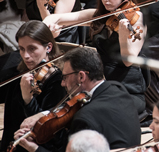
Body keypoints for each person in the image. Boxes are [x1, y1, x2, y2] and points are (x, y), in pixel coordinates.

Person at [43, 0, 147, 120]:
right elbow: (58, 18)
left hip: (127, 89)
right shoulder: (98, 16)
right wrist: (48, 24)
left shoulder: (137, 18)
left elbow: (127, 60)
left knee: (94, 113)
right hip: (101, 86)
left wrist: (124, 35)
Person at [13, 47, 142, 152]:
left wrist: (34, 148)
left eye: (65, 78)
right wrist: (44, 114)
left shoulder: (84, 118)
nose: (63, 84)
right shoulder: (117, 88)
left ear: (81, 77)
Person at [0, 21, 66, 152]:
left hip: (33, 146)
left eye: (32, 49)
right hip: (10, 141)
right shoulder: (19, 71)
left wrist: (28, 100)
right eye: (22, 49)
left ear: (48, 47)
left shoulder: (57, 79)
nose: (26, 56)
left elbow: (46, 128)